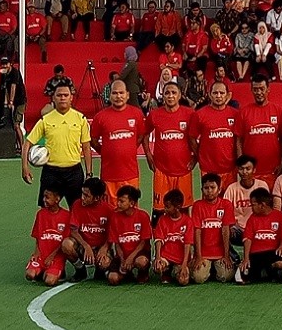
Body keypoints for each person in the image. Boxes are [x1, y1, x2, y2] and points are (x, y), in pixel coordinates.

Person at [21, 80, 93, 208]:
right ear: (53, 98)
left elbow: (86, 147)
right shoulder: (46, 119)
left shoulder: (80, 119)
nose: (63, 98)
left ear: (71, 97)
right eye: (59, 95)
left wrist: (89, 173)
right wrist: (25, 167)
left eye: (66, 95)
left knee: (77, 210)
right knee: (47, 210)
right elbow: (27, 143)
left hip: (74, 172)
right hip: (51, 172)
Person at [145, 81, 196, 223]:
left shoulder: (190, 114)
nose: (170, 96)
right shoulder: (155, 115)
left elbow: (197, 137)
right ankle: (157, 242)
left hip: (183, 171)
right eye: (167, 93)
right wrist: (149, 155)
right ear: (162, 95)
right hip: (162, 171)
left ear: (179, 95)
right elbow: (144, 134)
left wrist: (195, 158)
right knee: (159, 211)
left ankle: (184, 242)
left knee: (184, 209)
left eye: (174, 92)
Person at [90, 80, 146, 207]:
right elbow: (93, 141)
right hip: (109, 176)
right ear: (110, 96)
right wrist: (104, 152)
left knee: (131, 211)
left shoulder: (136, 114)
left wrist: (130, 148)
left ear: (127, 95)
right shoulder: (100, 117)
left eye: (121, 93)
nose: (118, 96)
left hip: (131, 174)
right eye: (115, 93)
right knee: (110, 211)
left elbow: (141, 135)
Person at [235, 74, 282, 189]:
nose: (259, 92)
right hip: (251, 172)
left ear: (268, 89)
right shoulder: (243, 112)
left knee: (270, 204)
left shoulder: (278, 111)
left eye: (262, 89)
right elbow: (238, 141)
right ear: (251, 90)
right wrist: (242, 166)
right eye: (255, 89)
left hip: (272, 171)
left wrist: (281, 165)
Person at [62, 177, 113, 282]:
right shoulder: (77, 204)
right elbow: (73, 230)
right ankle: (80, 270)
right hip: (83, 246)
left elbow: (113, 233)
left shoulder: (109, 210)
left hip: (100, 248)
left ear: (97, 198)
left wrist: (105, 248)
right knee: (66, 244)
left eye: (86, 196)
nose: (82, 198)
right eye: (82, 193)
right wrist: (86, 246)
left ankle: (100, 270)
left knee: (105, 262)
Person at [189, 81, 238, 190]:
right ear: (210, 95)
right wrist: (199, 156)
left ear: (227, 95)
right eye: (215, 93)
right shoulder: (199, 115)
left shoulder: (235, 114)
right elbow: (192, 138)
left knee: (228, 203)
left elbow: (239, 140)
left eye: (221, 93)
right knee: (209, 202)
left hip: (229, 169)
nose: (218, 96)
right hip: (208, 169)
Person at [191, 173, 236, 284]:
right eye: (206, 188)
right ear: (202, 189)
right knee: (198, 278)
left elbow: (225, 230)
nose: (209, 191)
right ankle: (207, 268)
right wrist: (198, 256)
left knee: (227, 276)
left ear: (219, 189)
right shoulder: (197, 206)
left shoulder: (226, 205)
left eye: (212, 187)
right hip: (204, 253)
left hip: (220, 253)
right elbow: (197, 231)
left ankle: (216, 267)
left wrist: (226, 256)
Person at [25, 187, 71, 287]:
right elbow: (37, 235)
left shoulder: (67, 215)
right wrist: (37, 252)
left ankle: (52, 272)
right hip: (41, 255)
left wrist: (52, 256)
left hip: (56, 257)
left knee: (49, 282)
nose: (44, 200)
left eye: (47, 197)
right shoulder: (40, 214)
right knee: (29, 275)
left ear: (57, 199)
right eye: (44, 197)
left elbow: (64, 240)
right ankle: (42, 271)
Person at [237, 187, 282, 284]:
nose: (251, 207)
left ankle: (272, 269)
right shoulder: (252, 218)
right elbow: (247, 239)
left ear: (262, 205)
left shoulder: (279, 216)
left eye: (253, 205)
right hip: (256, 254)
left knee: (280, 267)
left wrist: (281, 245)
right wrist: (246, 259)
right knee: (244, 277)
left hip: (272, 252)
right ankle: (265, 269)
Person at [108, 186, 152, 285]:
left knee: (141, 262)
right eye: (118, 200)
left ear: (132, 203)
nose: (118, 204)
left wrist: (131, 258)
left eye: (122, 201)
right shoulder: (115, 217)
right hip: (123, 254)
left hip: (138, 254)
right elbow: (116, 243)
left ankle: (143, 273)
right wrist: (123, 259)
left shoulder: (143, 216)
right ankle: (127, 274)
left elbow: (144, 241)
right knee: (112, 279)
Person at [224, 155, 269, 251]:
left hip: (257, 228)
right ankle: (232, 257)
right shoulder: (231, 188)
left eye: (248, 169)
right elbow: (225, 211)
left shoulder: (262, 185)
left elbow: (266, 210)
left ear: (254, 170)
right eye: (241, 169)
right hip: (237, 230)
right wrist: (231, 225)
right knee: (222, 230)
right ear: (237, 170)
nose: (244, 172)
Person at [0, 58, 27, 151]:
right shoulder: (3, 74)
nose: (4, 66)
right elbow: (4, 89)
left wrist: (11, 101)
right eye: (3, 64)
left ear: (10, 64)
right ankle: (17, 146)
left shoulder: (15, 73)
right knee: (13, 125)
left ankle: (23, 147)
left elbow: (13, 87)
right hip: (12, 103)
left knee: (16, 125)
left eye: (6, 64)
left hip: (20, 102)